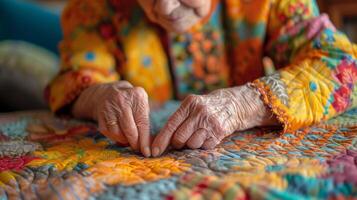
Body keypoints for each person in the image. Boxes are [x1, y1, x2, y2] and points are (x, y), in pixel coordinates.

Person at [46, 0, 357, 157]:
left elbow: (343, 65)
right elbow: (73, 79)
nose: (165, 8)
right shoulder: (94, 6)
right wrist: (99, 96)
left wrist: (241, 105)